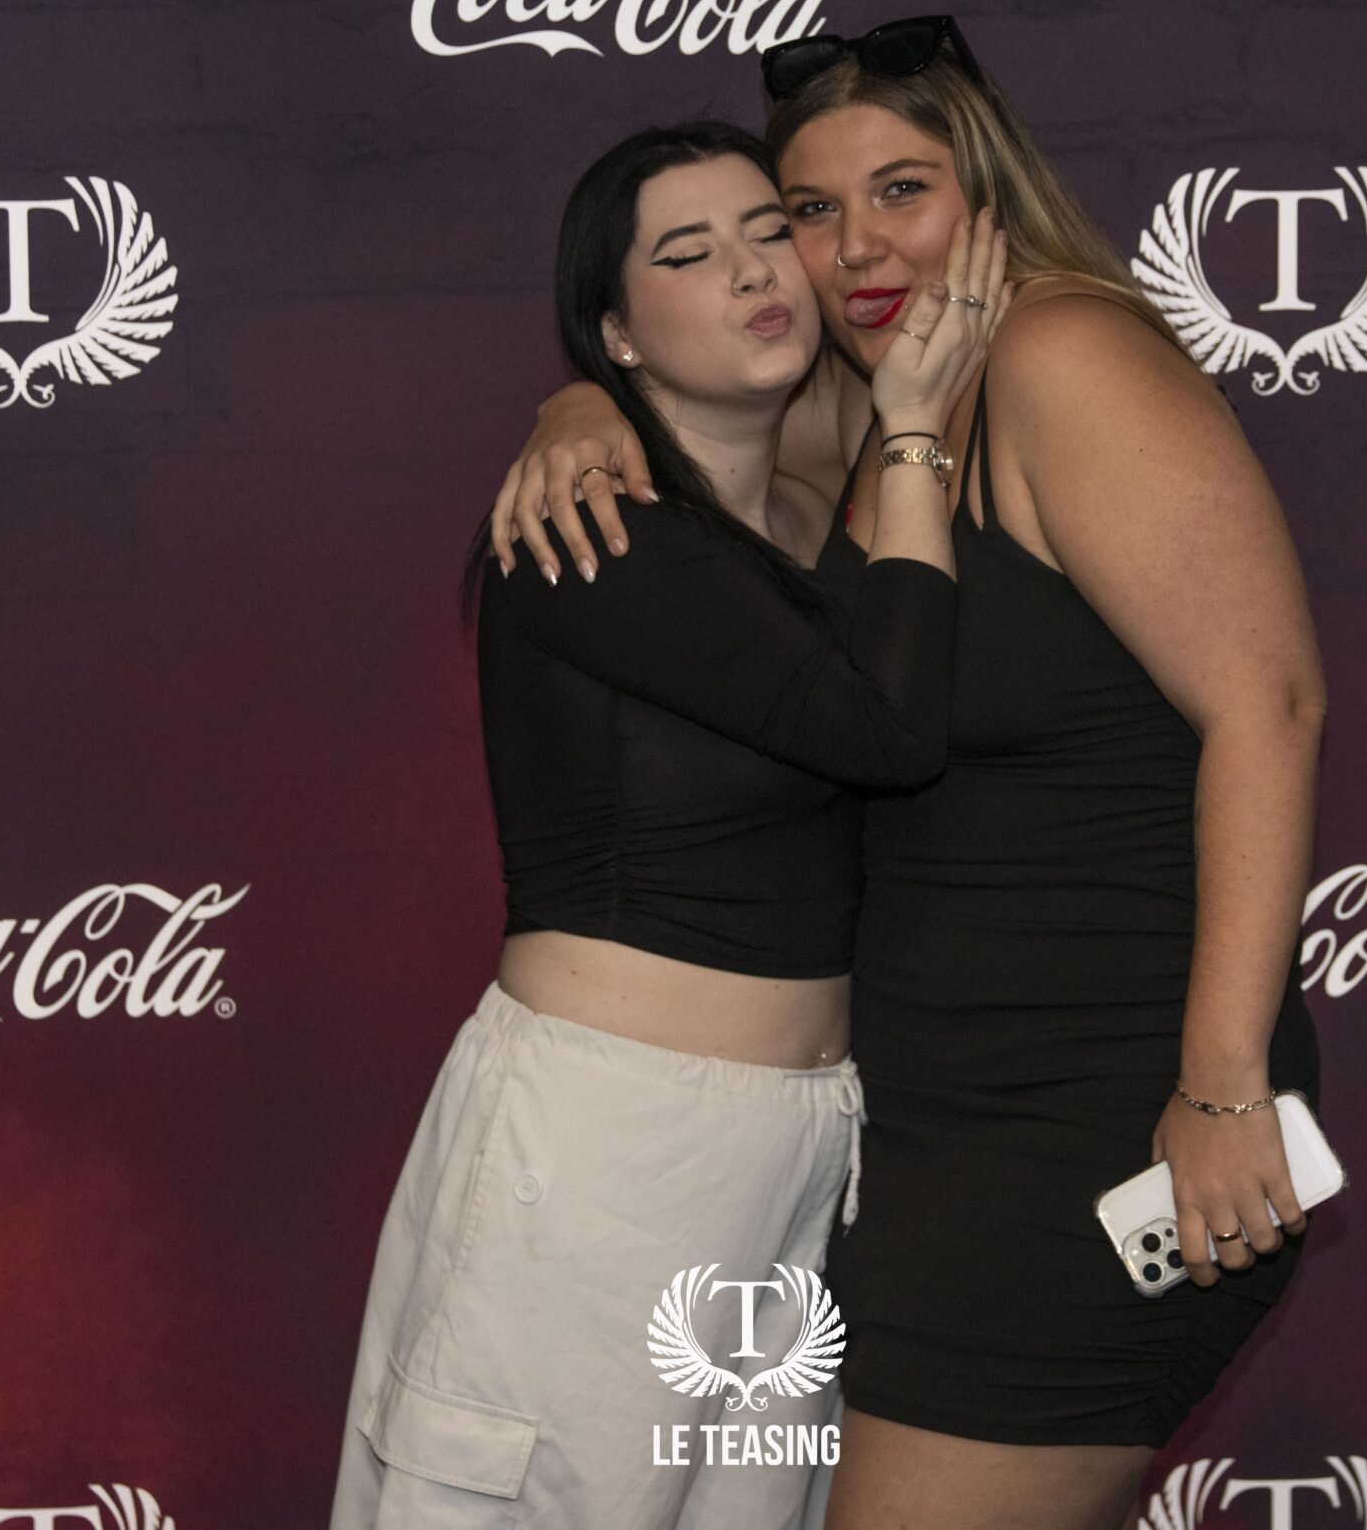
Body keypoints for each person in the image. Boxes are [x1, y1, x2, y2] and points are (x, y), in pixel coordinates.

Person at [488, 20, 1326, 1530]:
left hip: (1101, 1108)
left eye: (903, 191)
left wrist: (1218, 1087)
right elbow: (698, 406)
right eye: (811, 211)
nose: (857, 246)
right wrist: (585, 403)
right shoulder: (890, 401)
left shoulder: (1060, 356)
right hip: (925, 1129)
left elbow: (1268, 708)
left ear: (988, 194)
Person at [333, 119, 1010, 1530]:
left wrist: (578, 403)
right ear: (618, 333)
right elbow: (892, 733)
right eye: (689, 256)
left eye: (770, 232)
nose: (756, 272)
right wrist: (910, 428)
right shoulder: (600, 529)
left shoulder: (802, 529)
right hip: (609, 1138)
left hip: (798, 1144)